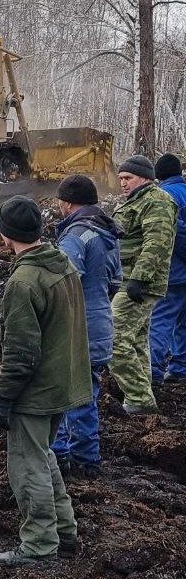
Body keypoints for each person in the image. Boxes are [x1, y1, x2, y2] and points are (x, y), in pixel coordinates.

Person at [0, 196, 92, 566]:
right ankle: (64, 533)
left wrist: (3, 397)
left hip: (36, 391)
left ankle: (39, 544)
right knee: (43, 457)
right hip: (64, 382)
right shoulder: (61, 263)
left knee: (27, 465)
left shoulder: (23, 281)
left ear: (6, 235)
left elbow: (21, 352)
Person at [50, 175, 122, 479]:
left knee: (62, 394)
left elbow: (64, 283)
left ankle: (61, 457)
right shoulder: (107, 233)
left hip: (77, 331)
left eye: (59, 201)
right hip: (101, 325)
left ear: (68, 202)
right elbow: (115, 282)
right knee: (87, 393)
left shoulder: (75, 236)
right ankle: (87, 459)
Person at [112, 155, 177, 413]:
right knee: (137, 340)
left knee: (114, 339)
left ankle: (139, 398)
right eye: (120, 179)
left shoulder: (157, 201)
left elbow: (156, 242)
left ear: (145, 178)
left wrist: (140, 278)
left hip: (139, 284)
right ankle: (142, 395)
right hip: (128, 281)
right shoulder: (138, 201)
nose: (123, 183)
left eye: (128, 178)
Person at [149, 153, 186, 384]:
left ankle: (152, 370)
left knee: (160, 321)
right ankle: (180, 368)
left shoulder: (164, 197)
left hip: (172, 272)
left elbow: (174, 233)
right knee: (183, 322)